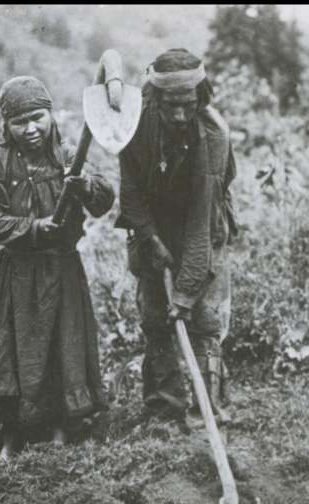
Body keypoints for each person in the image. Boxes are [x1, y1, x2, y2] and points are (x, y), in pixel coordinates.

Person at [0, 76, 114, 461]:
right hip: (17, 274)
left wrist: (85, 185)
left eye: (37, 117)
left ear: (51, 115)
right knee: (14, 353)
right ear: (7, 126)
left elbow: (104, 200)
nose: (30, 129)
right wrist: (35, 227)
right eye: (19, 122)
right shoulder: (0, 161)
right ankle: (11, 437)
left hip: (61, 270)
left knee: (62, 348)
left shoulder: (70, 155)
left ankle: (60, 430)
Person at [115, 49, 238, 424]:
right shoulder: (133, 122)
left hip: (202, 220)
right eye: (171, 106)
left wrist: (184, 293)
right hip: (152, 220)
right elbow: (131, 188)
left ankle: (209, 409)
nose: (180, 115)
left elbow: (201, 223)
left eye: (189, 105)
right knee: (155, 316)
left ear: (200, 97)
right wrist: (150, 237)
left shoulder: (213, 134)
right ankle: (165, 407)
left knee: (201, 316)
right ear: (155, 98)